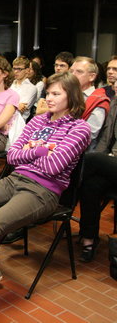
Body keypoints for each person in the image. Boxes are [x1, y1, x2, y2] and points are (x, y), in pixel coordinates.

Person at [0, 72, 91, 275]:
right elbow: (11, 156)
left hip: (42, 191)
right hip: (14, 179)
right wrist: (40, 151)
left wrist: (28, 153)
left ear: (71, 96)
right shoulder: (37, 121)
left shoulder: (80, 128)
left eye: (56, 94)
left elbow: (53, 167)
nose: (49, 99)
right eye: (48, 93)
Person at [78, 95, 117, 262]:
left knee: (91, 160)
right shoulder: (115, 101)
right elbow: (106, 138)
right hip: (111, 163)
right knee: (90, 185)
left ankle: (55, 194)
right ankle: (89, 239)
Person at [70, 56, 110, 148]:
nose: (73, 75)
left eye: (79, 72)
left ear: (92, 77)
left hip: (80, 151)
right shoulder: (66, 94)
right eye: (71, 71)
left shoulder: (99, 100)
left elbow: (89, 135)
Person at [10, 56, 38, 121]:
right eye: (14, 68)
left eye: (19, 69)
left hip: (18, 123)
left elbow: (21, 109)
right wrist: (16, 105)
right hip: (4, 120)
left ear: (27, 70)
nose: (15, 71)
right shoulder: (10, 84)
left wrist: (7, 103)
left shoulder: (32, 88)